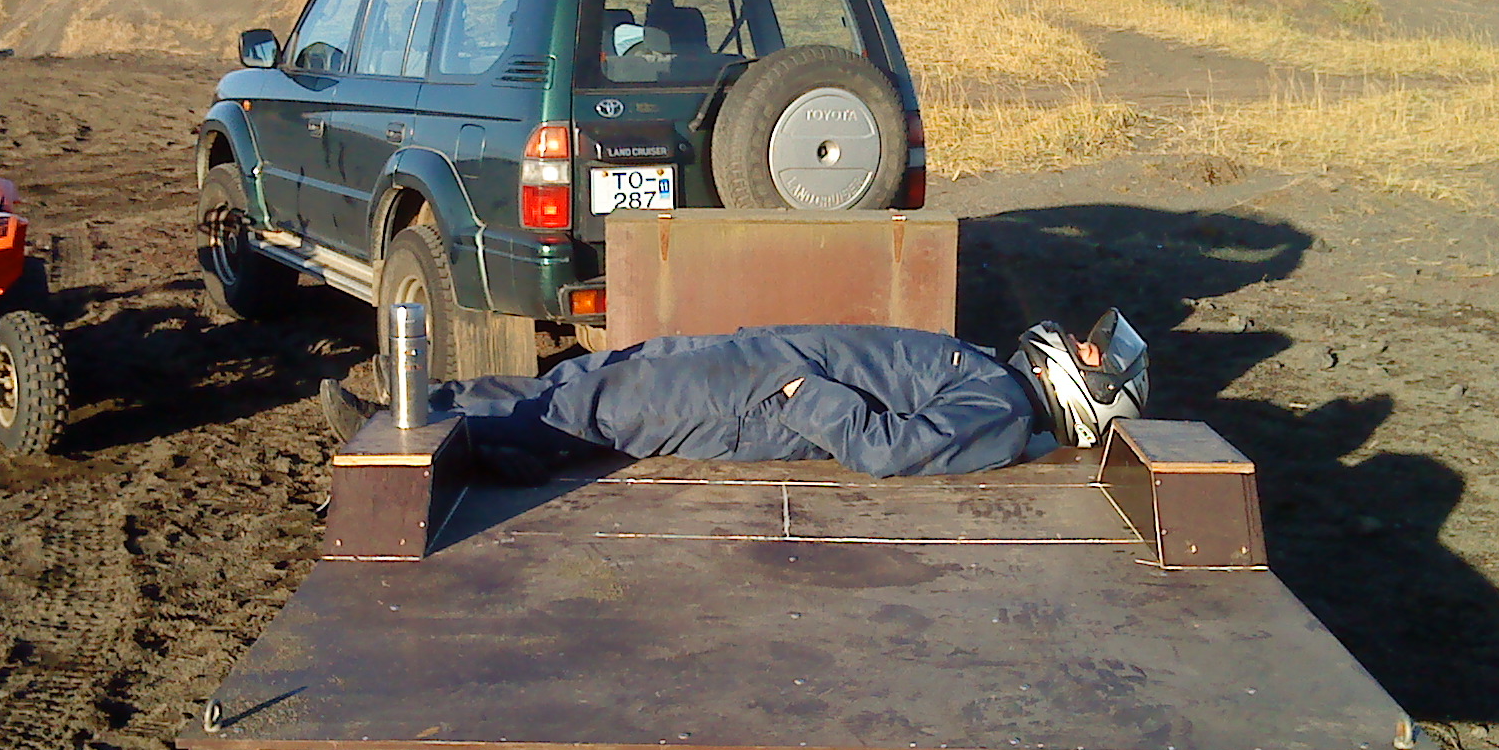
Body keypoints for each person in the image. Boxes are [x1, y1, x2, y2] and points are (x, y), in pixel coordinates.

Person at [320, 312, 1149, 482]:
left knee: (595, 407)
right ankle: (423, 407)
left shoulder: (1001, 410)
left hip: (762, 392)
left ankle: (416, 437)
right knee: (587, 381)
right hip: (760, 362)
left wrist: (798, 391)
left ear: (1089, 390)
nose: (1082, 341)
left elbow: (889, 450)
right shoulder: (999, 381)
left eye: (1092, 353)